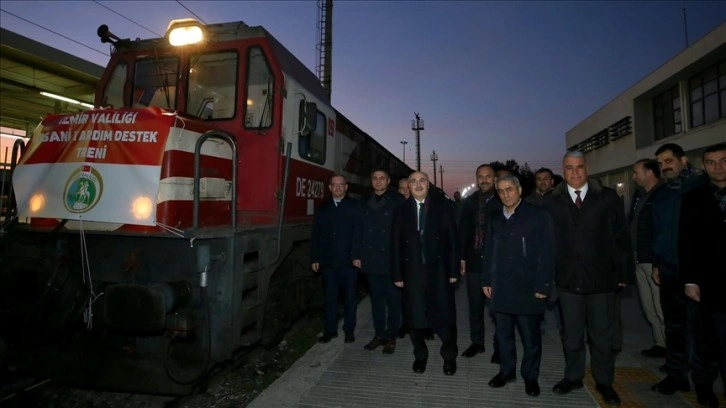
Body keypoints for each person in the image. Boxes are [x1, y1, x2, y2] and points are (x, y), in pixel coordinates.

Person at [543, 151, 633, 406]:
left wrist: (623, 273)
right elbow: (545, 243)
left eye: (579, 167)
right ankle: (573, 377)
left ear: (587, 168)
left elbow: (620, 237)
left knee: (602, 335)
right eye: (569, 168)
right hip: (568, 280)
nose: (574, 172)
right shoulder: (551, 201)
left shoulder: (606, 198)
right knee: (571, 335)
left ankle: (604, 382)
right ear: (563, 169)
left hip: (602, 280)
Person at [482, 175, 555, 397]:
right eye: (501, 191)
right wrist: (486, 279)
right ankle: (507, 372)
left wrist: (543, 284)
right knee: (503, 335)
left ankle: (530, 377)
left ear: (520, 190)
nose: (506, 194)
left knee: (530, 338)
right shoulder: (494, 218)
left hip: (528, 288)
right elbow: (488, 251)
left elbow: (548, 252)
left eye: (510, 189)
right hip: (501, 287)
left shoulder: (538, 215)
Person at [650, 142, 711, 399]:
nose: (665, 166)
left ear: (683, 160)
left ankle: (704, 384)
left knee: (701, 332)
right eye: (661, 163)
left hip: (697, 273)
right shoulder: (662, 193)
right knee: (674, 329)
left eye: (669, 160)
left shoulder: (701, 188)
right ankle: (677, 376)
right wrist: (657, 263)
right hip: (669, 271)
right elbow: (658, 231)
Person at [392, 171, 460, 375]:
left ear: (428, 185)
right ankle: (420, 356)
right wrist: (397, 274)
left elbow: (452, 240)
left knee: (445, 319)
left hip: (439, 272)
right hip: (411, 274)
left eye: (422, 181)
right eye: (413, 181)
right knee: (414, 319)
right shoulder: (401, 210)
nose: (418, 184)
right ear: (409, 186)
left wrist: (454, 270)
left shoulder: (443, 207)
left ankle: (449, 358)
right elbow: (395, 244)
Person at [677, 143, 726, 407]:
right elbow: (686, 241)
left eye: (723, 161)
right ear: (704, 166)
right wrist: (690, 280)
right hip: (705, 283)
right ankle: (704, 387)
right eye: (711, 162)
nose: (718, 167)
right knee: (705, 341)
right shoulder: (694, 197)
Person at [310, 174, 361, 344]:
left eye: (341, 184)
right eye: (334, 185)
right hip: (328, 262)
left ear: (346, 187)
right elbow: (316, 234)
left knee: (350, 298)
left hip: (349, 262)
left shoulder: (355, 206)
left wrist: (357, 256)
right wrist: (315, 257)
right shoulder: (323, 207)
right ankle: (330, 330)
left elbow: (358, 234)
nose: (338, 187)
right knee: (330, 298)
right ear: (330, 188)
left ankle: (349, 330)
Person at [458, 164, 501, 360]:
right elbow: (463, 232)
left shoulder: (503, 200)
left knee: (498, 308)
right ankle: (477, 343)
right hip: (474, 262)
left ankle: (500, 347)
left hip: (497, 264)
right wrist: (462, 258)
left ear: (494, 179)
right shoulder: (469, 202)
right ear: (476, 179)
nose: (484, 180)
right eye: (480, 176)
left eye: (488, 176)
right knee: (475, 306)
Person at [359, 169, 405, 354]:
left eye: (382, 178)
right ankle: (379, 335)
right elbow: (358, 230)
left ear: (388, 181)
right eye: (375, 178)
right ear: (372, 181)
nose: (378, 182)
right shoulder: (363, 202)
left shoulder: (398, 200)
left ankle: (391, 337)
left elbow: (404, 232)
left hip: (392, 259)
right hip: (371, 259)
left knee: (394, 301)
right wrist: (357, 255)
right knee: (376, 301)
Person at [629, 159, 667, 358]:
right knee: (648, 306)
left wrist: (658, 262)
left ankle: (673, 349)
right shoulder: (639, 195)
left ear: (650, 173)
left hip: (654, 261)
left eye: (637, 173)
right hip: (638, 257)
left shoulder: (663, 194)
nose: (634, 177)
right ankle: (660, 343)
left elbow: (663, 230)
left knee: (662, 308)